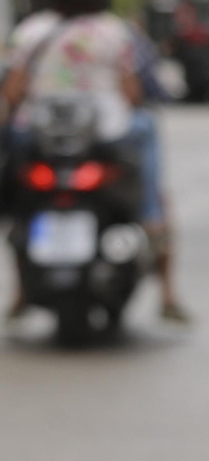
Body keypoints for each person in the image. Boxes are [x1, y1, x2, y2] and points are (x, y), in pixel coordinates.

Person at [4, 0, 189, 321]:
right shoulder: (115, 31)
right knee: (146, 128)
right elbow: (133, 93)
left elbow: (12, 92)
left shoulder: (32, 31)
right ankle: (156, 237)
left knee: (20, 204)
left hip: (41, 138)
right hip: (106, 136)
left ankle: (20, 292)